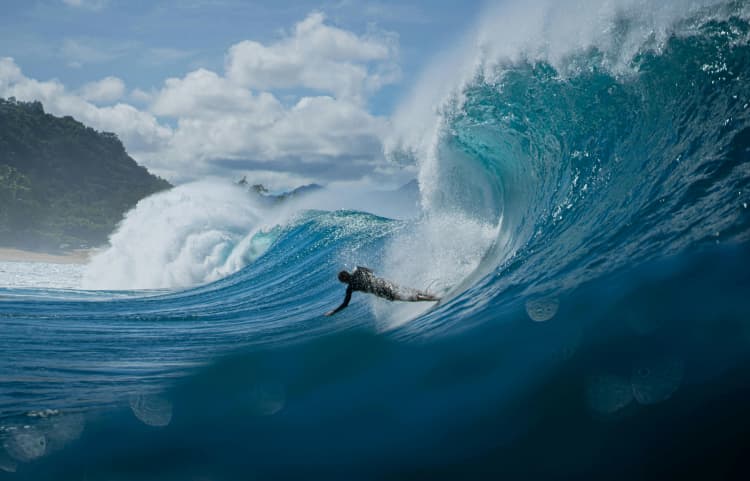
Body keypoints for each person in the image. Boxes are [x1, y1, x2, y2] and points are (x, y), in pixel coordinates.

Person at [325, 266, 440, 316]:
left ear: (344, 280)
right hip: (383, 283)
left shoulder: (351, 288)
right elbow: (371, 271)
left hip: (380, 292)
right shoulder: (357, 270)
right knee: (407, 289)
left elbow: (345, 304)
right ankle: (430, 295)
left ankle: (431, 299)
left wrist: (333, 311)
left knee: (405, 297)